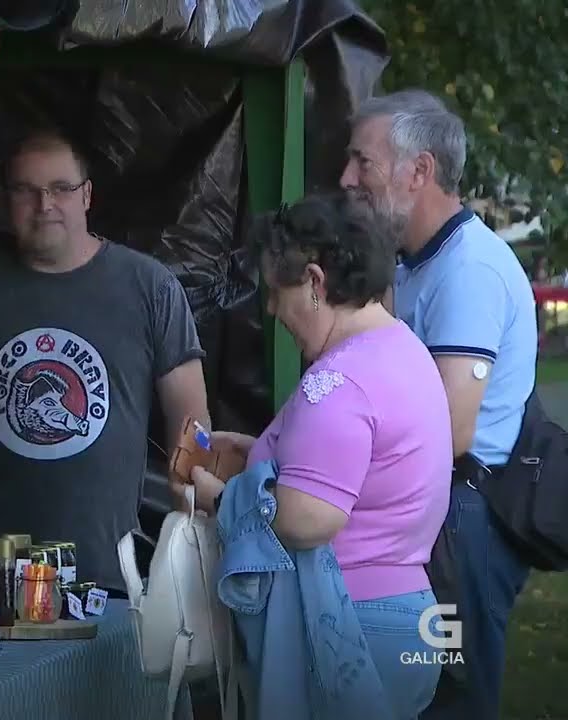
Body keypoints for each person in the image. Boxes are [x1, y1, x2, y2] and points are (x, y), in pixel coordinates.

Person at [0, 129, 211, 593]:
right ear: (6, 201)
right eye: (26, 190)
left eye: (60, 188)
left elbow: (192, 423)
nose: (44, 205)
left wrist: (195, 533)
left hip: (105, 582)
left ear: (87, 196)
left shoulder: (149, 287)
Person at [185, 193, 454, 718]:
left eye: (273, 290)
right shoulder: (402, 348)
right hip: (411, 616)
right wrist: (260, 455)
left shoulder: (337, 381)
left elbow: (306, 520)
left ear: (313, 282)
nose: (268, 309)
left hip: (347, 624)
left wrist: (224, 500)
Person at [341, 89, 537, 720]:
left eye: (361, 162)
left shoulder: (468, 271)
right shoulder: (417, 264)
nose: (346, 179)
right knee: (418, 691)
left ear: (418, 171)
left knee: (449, 698)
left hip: (461, 527)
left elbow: (449, 432)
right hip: (437, 515)